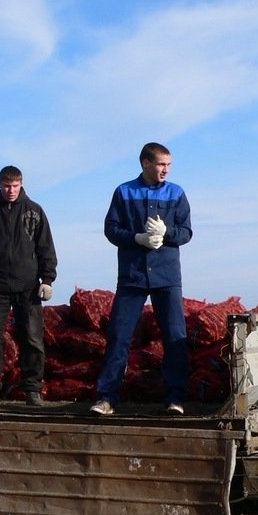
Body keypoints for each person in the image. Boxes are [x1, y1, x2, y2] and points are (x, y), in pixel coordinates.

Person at [91, 143, 192, 416]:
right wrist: (136, 238)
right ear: (146, 163)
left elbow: (186, 232)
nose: (166, 170)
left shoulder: (177, 193)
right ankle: (107, 398)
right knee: (119, 335)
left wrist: (167, 232)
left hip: (166, 275)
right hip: (133, 275)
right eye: (161, 164)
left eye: (169, 165)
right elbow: (111, 229)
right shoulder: (124, 192)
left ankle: (176, 398)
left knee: (174, 336)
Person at [0, 165, 58, 407]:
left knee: (33, 339)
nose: (11, 190)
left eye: (15, 185)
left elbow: (46, 247)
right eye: (7, 185)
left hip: (28, 286)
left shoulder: (34, 212)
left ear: (22, 183)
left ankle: (33, 390)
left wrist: (47, 279)